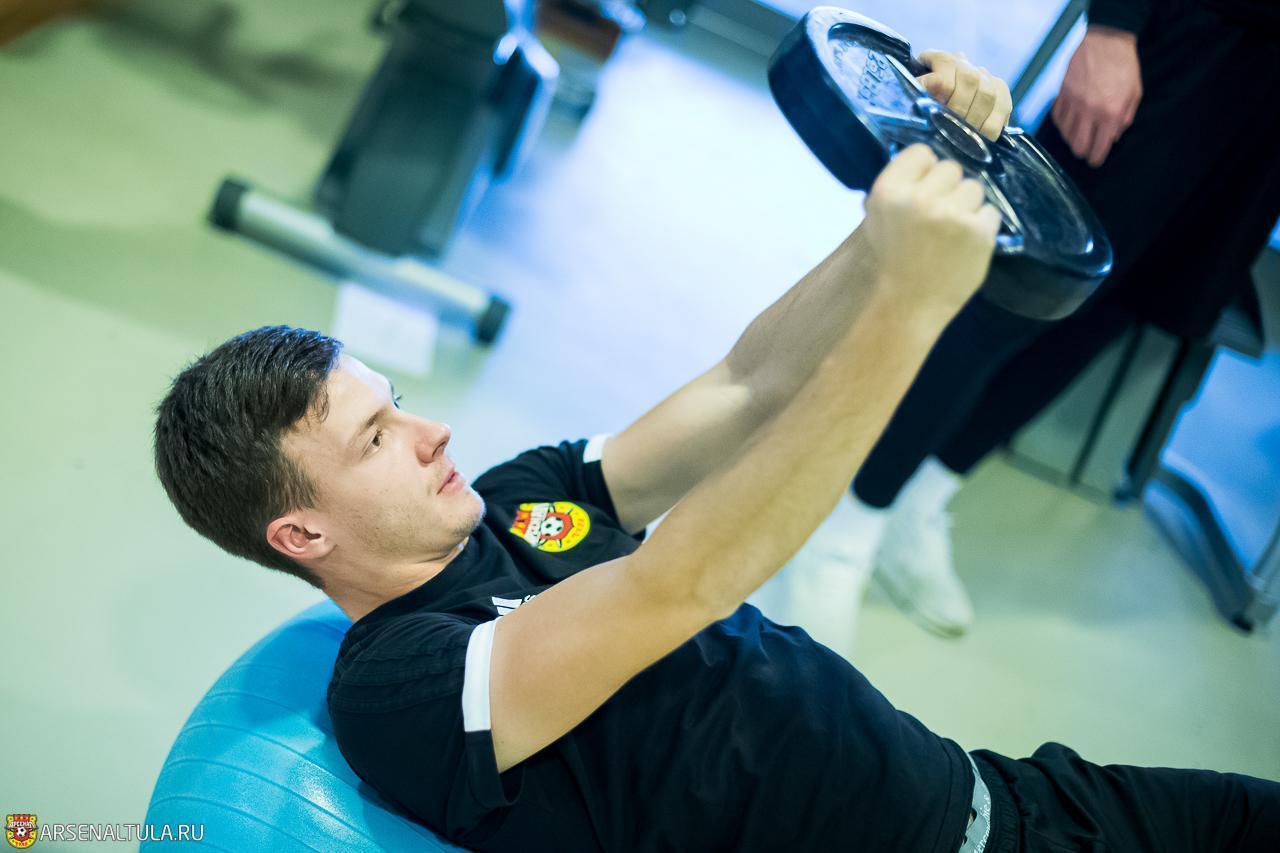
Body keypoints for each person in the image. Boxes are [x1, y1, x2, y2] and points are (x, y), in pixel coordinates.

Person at [153, 53, 1279, 853]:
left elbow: (747, 385)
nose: (431, 428)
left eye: (397, 403)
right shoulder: (399, 683)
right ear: (302, 531)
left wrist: (920, 190)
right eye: (378, 437)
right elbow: (680, 582)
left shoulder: (519, 502)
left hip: (1008, 795)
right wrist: (912, 306)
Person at [813, 0, 1280, 639]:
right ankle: (847, 522)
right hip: (1194, 44)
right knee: (1022, 282)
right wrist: (1114, 27)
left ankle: (921, 502)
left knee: (1112, 306)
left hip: (1266, 120)